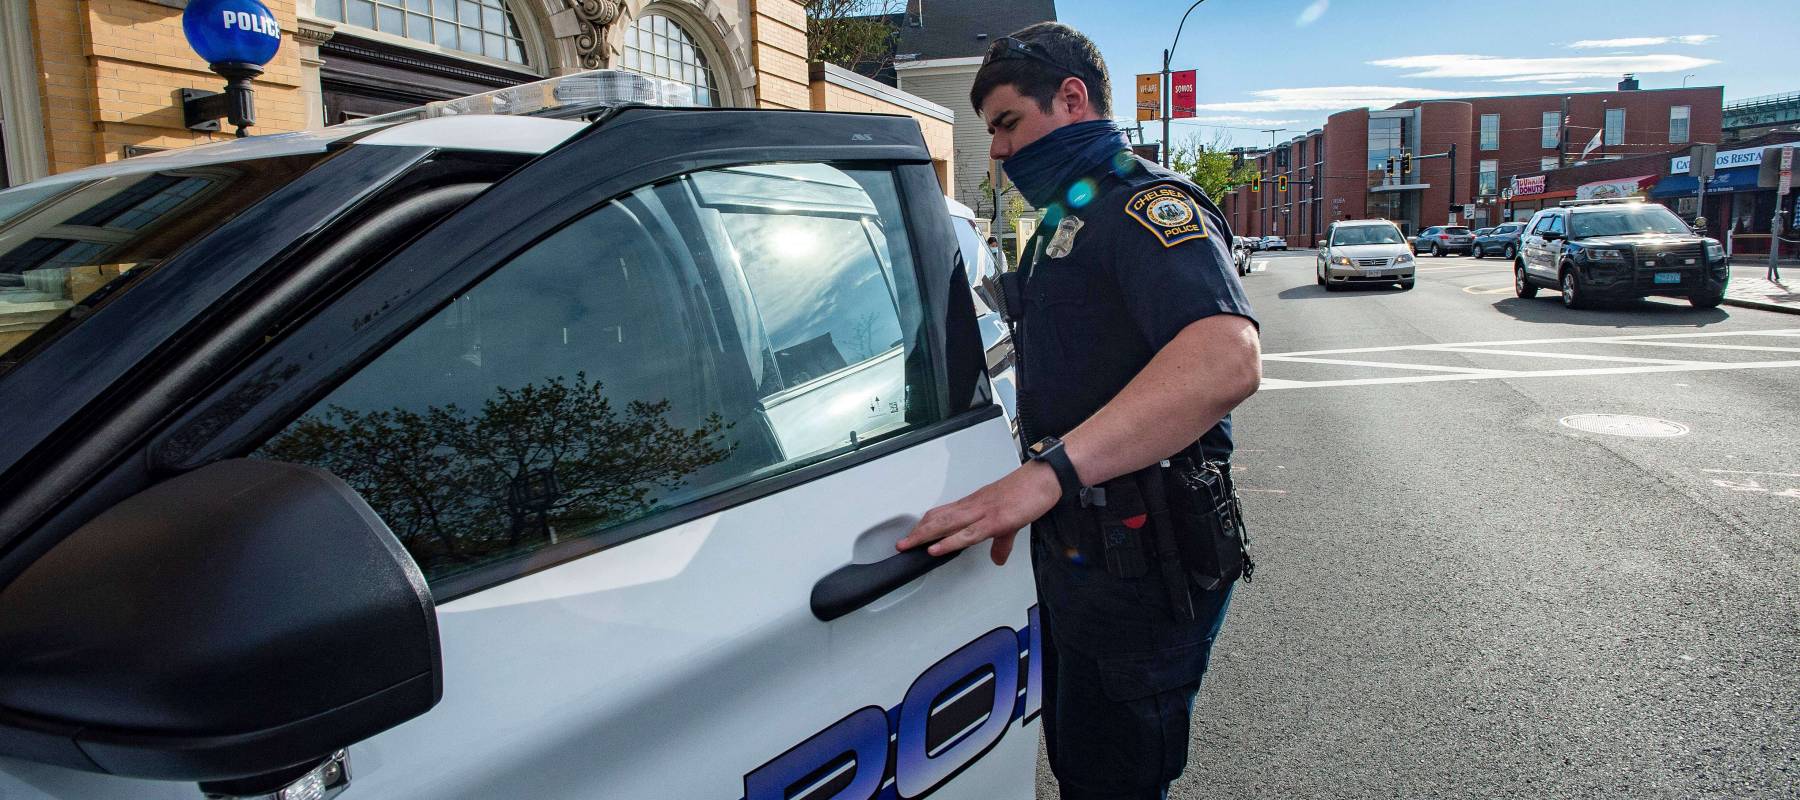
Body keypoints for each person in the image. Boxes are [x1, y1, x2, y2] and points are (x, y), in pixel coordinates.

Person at [895, 21, 1262, 800]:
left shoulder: (1146, 206)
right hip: (1084, 557)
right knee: (1080, 761)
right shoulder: (1069, 216)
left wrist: (1046, 477)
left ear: (1071, 99)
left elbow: (1227, 357)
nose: (995, 150)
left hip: (1143, 562)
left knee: (1114, 779)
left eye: (1006, 124)